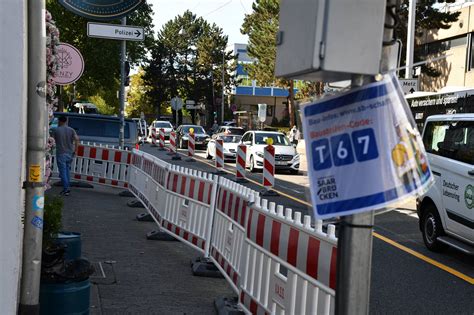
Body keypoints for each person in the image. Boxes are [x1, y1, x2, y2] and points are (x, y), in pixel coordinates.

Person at [54, 116, 79, 196]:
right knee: (67, 171)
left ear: (59, 121)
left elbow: (54, 140)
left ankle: (66, 189)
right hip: (69, 153)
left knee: (63, 172)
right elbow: (77, 139)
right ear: (66, 121)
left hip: (61, 153)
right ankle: (67, 187)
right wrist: (75, 150)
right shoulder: (71, 130)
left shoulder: (57, 130)